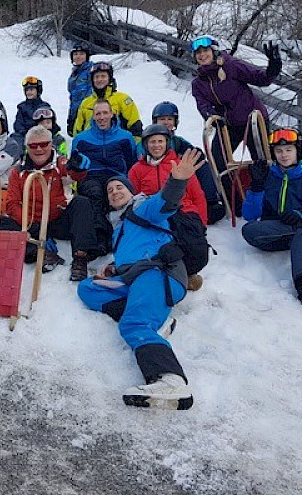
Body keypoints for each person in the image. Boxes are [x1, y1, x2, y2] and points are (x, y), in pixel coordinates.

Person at [77, 149, 206, 410]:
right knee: (88, 289)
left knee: (133, 325)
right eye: (110, 191)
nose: (114, 192)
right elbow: (134, 252)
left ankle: (169, 379)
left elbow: (166, 202)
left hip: (158, 272)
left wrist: (178, 180)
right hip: (137, 278)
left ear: (130, 190)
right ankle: (156, 318)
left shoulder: (143, 208)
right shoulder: (120, 228)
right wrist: (114, 267)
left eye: (119, 187)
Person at [241, 127, 302, 307]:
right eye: (278, 151)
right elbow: (249, 216)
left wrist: (301, 216)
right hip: (274, 232)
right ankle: (301, 227)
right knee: (249, 230)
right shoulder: (268, 176)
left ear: (298, 151)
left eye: (289, 150)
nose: (284, 155)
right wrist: (256, 186)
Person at [190, 35, 281, 213]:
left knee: (262, 160)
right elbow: (203, 105)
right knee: (218, 160)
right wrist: (211, 116)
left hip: (252, 120)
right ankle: (234, 203)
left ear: (214, 51)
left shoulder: (230, 65)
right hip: (228, 125)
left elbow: (261, 79)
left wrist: (273, 67)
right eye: (198, 53)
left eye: (205, 51)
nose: (202, 55)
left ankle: (270, 201)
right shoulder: (198, 83)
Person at [1, 125, 97, 280]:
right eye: (33, 145)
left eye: (44, 144)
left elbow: (72, 175)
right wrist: (32, 225)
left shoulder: (59, 164)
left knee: (82, 203)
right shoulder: (18, 171)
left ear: (51, 145)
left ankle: (80, 258)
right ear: (27, 148)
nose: (39, 149)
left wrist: (79, 168)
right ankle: (42, 252)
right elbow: (12, 204)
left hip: (57, 218)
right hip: (32, 222)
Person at [129, 124, 209, 290]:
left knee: (195, 248)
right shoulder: (137, 169)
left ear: (167, 143)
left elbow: (197, 196)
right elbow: (132, 199)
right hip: (154, 214)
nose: (156, 145)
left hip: (183, 212)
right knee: (159, 245)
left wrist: (201, 224)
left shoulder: (180, 165)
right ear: (145, 145)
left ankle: (188, 272)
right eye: (152, 142)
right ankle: (165, 276)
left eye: (160, 141)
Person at [71, 99, 137, 253]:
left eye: (105, 113)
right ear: (93, 116)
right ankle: (100, 237)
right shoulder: (81, 139)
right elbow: (75, 165)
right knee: (96, 194)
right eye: (98, 114)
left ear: (112, 113)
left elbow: (132, 163)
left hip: (116, 174)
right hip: (91, 176)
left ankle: (124, 235)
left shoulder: (125, 137)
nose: (101, 117)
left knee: (115, 191)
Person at [149, 101, 226, 224]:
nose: (166, 122)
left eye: (170, 119)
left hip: (177, 176)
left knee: (201, 164)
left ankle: (211, 201)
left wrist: (196, 153)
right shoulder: (149, 139)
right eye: (162, 119)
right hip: (159, 177)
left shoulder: (177, 141)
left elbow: (193, 152)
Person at [73, 61, 142, 139]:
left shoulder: (123, 99)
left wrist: (134, 146)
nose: (100, 79)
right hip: (92, 146)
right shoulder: (86, 103)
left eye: (103, 76)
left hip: (117, 146)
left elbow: (135, 127)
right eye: (96, 77)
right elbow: (78, 130)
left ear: (109, 78)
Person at [12, 76, 51, 144]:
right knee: (15, 137)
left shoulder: (44, 107)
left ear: (38, 91)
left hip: (41, 134)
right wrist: (24, 133)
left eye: (31, 90)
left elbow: (49, 123)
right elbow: (18, 124)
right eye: (27, 90)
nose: (28, 92)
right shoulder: (22, 107)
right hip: (25, 135)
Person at [67, 44, 93, 136]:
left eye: (81, 54)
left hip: (88, 112)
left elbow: (92, 93)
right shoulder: (74, 74)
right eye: (75, 54)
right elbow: (73, 97)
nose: (78, 56)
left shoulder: (91, 71)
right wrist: (71, 117)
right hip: (76, 111)